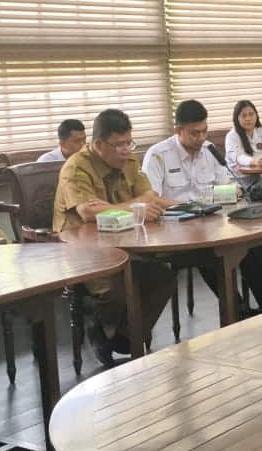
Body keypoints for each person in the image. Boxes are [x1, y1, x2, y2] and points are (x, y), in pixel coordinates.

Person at [53, 108, 174, 367]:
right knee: (117, 285)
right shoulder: (75, 167)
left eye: (128, 142)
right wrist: (135, 205)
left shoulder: (129, 161)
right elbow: (87, 212)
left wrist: (183, 205)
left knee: (163, 276)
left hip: (124, 240)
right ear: (97, 144)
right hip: (81, 249)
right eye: (118, 145)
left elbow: (149, 197)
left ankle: (122, 337)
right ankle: (101, 328)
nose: (125, 150)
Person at [142, 100, 262, 313]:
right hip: (175, 230)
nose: (201, 138)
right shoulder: (158, 154)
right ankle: (239, 311)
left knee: (247, 242)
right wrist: (191, 205)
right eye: (194, 133)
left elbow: (226, 184)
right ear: (178, 130)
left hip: (211, 221)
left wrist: (232, 191)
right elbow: (151, 198)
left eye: (204, 131)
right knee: (213, 251)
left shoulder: (209, 151)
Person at [225, 100, 262, 180]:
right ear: (237, 118)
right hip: (241, 181)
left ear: (256, 115)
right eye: (244, 115)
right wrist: (255, 162)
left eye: (251, 114)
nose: (248, 118)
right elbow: (238, 157)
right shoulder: (232, 136)